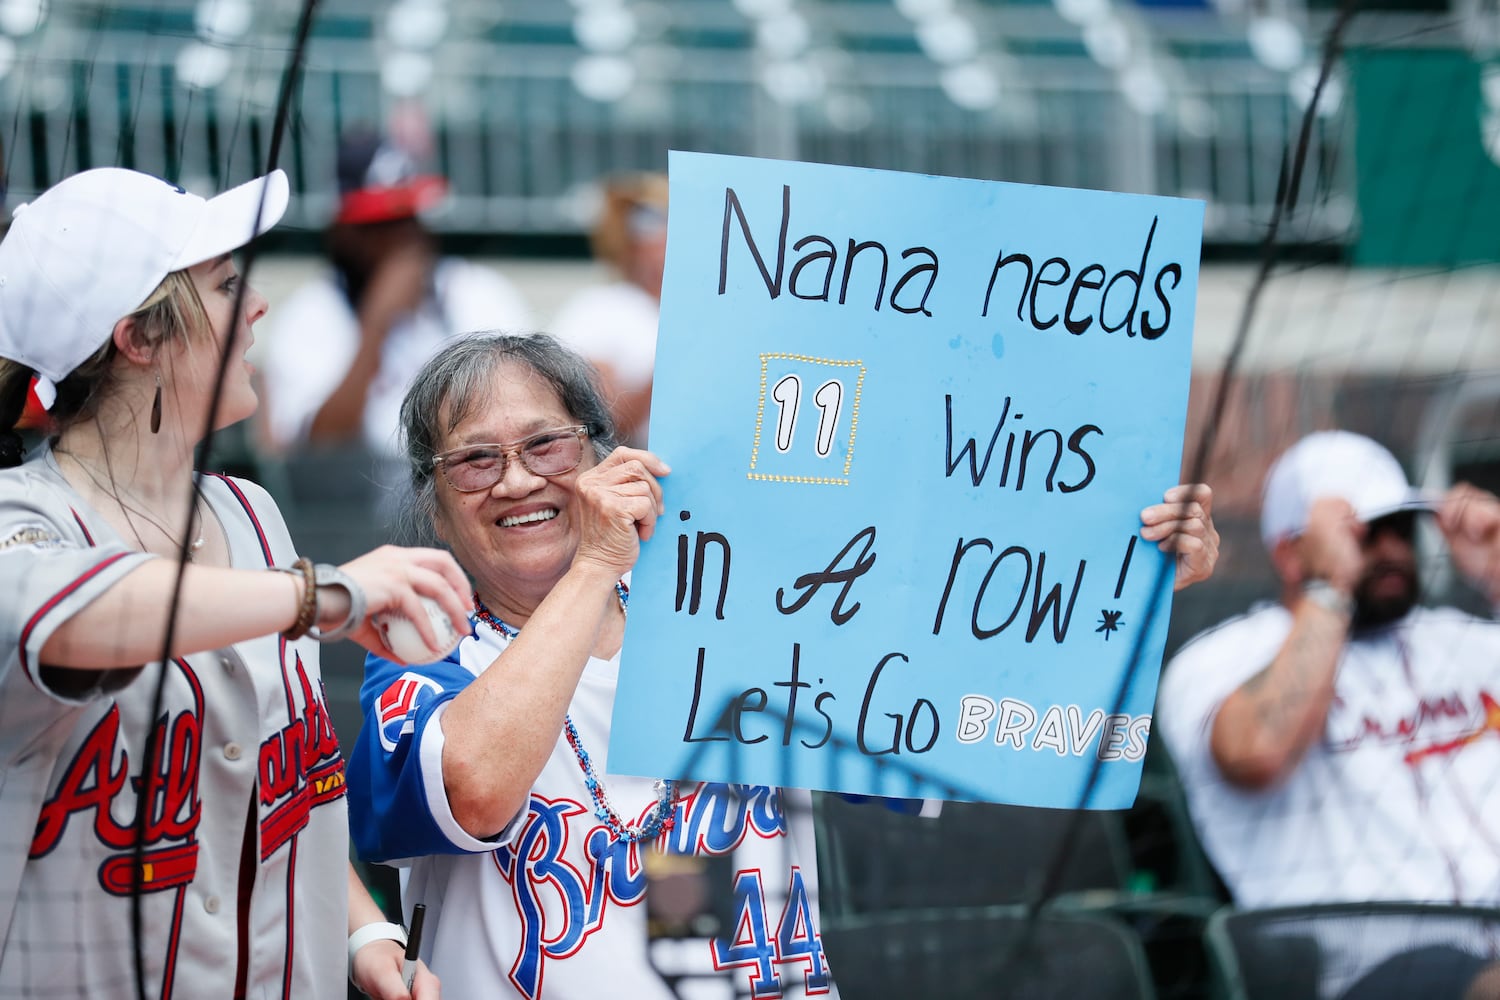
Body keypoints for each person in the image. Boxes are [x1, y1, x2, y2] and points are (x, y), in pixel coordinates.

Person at [343, 332, 1221, 998]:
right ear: (433, 497)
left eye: (547, 447)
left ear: (607, 456)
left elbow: (956, 729)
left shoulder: (733, 621)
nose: (517, 482)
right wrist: (598, 564)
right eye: (475, 462)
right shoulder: (421, 656)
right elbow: (476, 787)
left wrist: (1124, 583)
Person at [0, 166, 475, 998]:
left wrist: (363, 933)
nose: (257, 304)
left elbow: (290, 794)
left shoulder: (252, 514)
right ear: (138, 338)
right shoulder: (23, 514)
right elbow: (74, 617)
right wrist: (319, 597)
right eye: (225, 284)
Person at [1157, 430, 1500, 908]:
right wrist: (1330, 589)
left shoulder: (1460, 637)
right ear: (1290, 551)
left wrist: (1497, 571)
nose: (1393, 551)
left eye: (1401, 528)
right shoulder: (1221, 656)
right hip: (1350, 953)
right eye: (1363, 534)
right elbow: (1255, 754)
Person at [262, 128, 532, 462]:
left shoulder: (475, 288)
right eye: (383, 224)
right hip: (359, 504)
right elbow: (320, 444)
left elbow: (527, 403)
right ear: (345, 233)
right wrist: (376, 324)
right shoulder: (312, 312)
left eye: (410, 217)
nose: (406, 237)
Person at [551, 172, 667, 447]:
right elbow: (604, 421)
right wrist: (674, 363)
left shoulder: (715, 306)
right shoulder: (599, 308)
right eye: (652, 223)